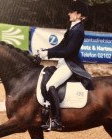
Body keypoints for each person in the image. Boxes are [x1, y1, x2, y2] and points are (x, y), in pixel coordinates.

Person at [38, 0, 94, 131]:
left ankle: (57, 120)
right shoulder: (72, 27)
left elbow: (69, 51)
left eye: (72, 11)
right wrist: (45, 51)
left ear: (79, 14)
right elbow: (61, 45)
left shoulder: (78, 30)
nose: (69, 13)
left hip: (71, 64)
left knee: (50, 85)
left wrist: (48, 54)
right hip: (64, 62)